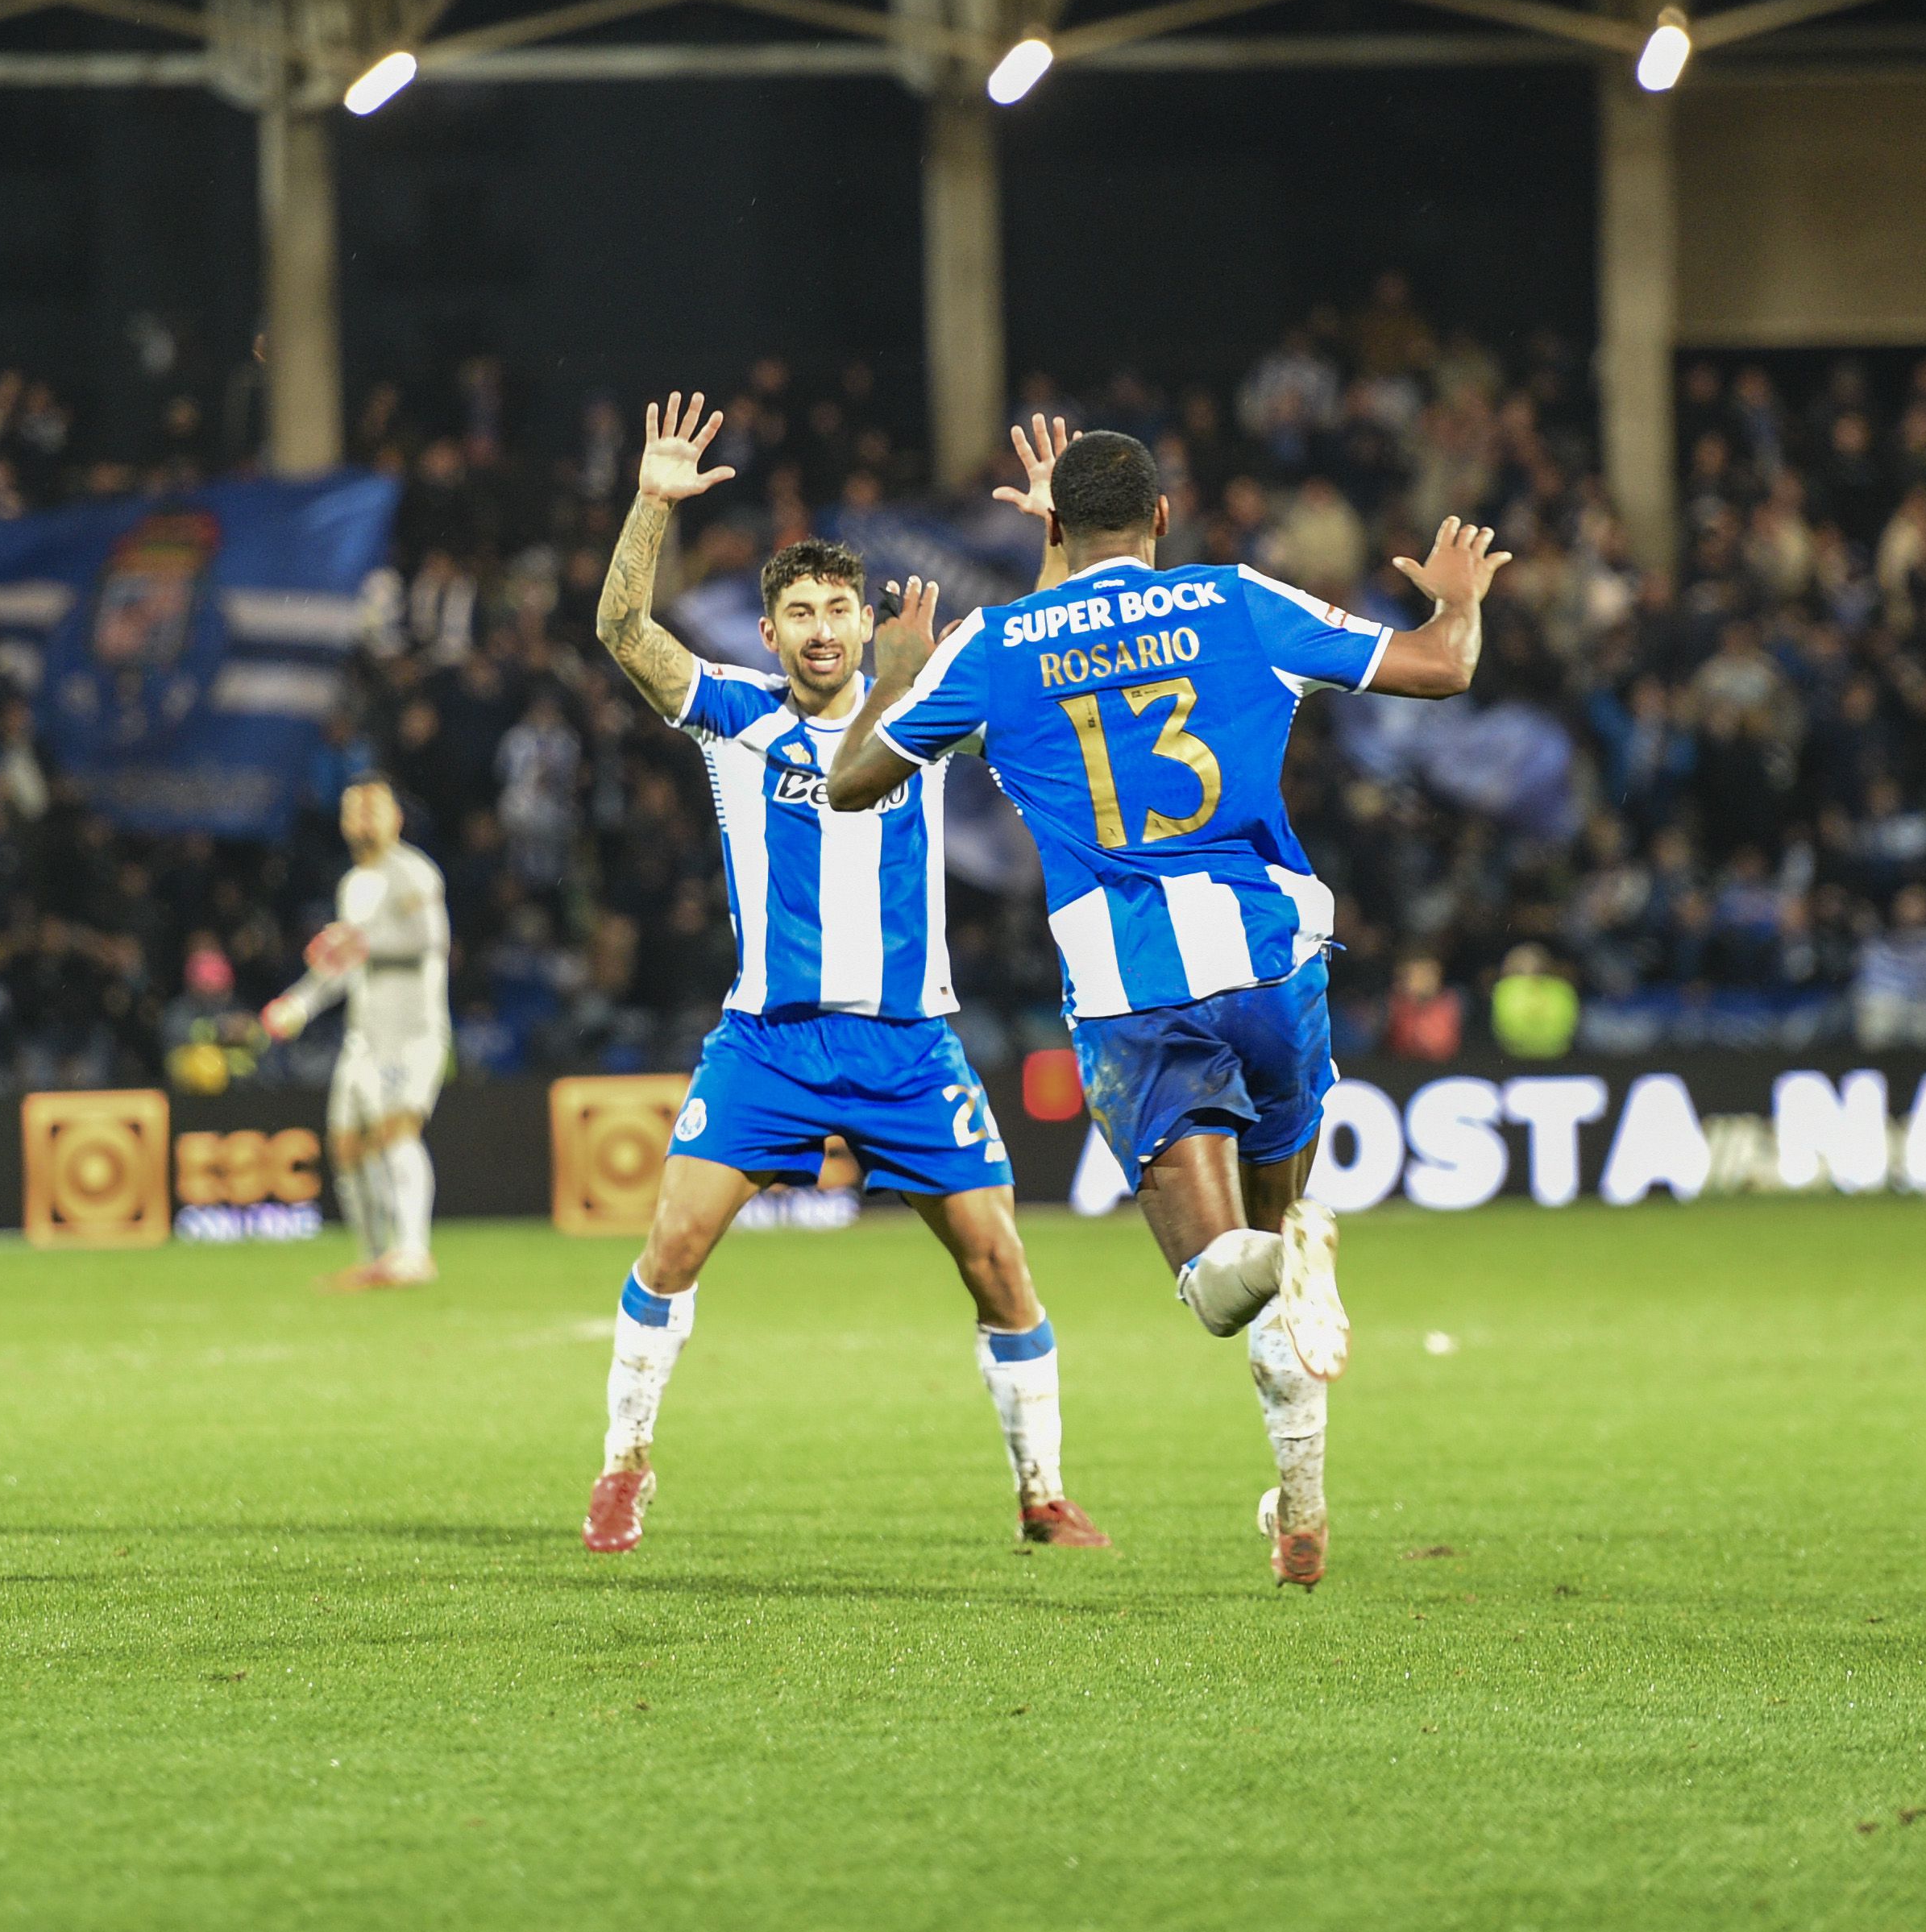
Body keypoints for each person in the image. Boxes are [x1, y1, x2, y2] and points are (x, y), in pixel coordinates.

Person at [830, 429, 1505, 1587]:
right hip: (1272, 961)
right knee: (1279, 1229)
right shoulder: (1236, 599)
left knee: (1218, 1286)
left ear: (1049, 531)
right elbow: (1443, 666)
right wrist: (1456, 601)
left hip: (1134, 986)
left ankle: (1286, 1264)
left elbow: (851, 781)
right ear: (1163, 518)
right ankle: (1301, 1510)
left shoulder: (991, 645)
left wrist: (896, 671)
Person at [572, 396, 1107, 1556]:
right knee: (670, 1247)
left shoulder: (925, 706)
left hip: (911, 1049)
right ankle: (623, 1468)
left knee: (1000, 1266)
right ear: (767, 634)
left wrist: (1060, 532)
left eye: (837, 609)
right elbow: (622, 628)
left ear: (869, 622)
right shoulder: (731, 714)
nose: (821, 629)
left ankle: (1043, 1495)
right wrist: (652, 504)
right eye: (798, 612)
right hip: (768, 1043)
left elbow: (1056, 642)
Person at [259, 777, 449, 1288]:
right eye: (354, 811)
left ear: (396, 819)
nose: (364, 819)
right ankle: (374, 1258)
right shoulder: (353, 884)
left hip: (412, 1031)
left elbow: (427, 941)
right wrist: (299, 1004)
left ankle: (413, 1253)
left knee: (397, 1132)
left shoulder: (413, 874)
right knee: (346, 1146)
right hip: (364, 1035)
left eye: (375, 809)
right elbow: (345, 966)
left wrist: (359, 943)